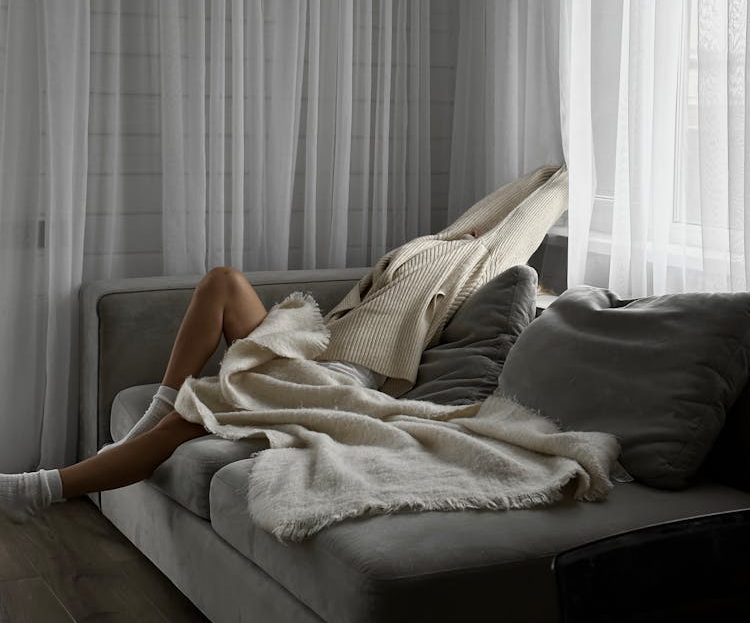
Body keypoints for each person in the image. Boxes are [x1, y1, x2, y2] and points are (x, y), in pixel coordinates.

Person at [0, 162, 568, 523]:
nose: (479, 226)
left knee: (197, 416)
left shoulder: (479, 264)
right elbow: (501, 203)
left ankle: (39, 490)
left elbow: (538, 205)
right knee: (223, 280)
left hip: (341, 377)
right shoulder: (431, 245)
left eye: (487, 228)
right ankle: (158, 408)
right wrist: (535, 172)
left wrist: (566, 170)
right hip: (311, 348)